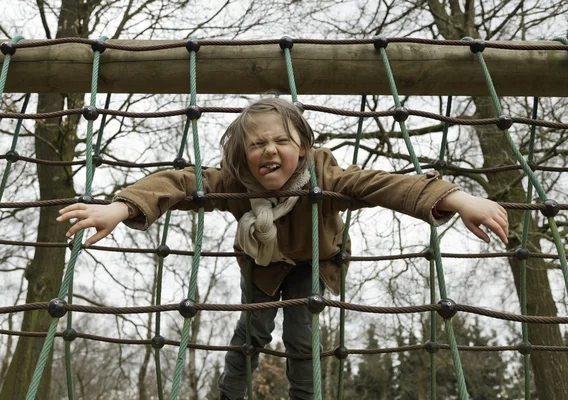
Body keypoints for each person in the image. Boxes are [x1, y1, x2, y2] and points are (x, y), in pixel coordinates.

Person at [57, 98, 508, 400]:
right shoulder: (235, 184)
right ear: (241, 153)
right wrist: (120, 208)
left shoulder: (325, 177)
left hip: (314, 261)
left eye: (281, 141)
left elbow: (383, 184)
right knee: (252, 333)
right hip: (260, 263)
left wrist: (459, 198)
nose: (269, 150)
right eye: (257, 144)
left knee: (300, 338)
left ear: (303, 147)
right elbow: (180, 183)